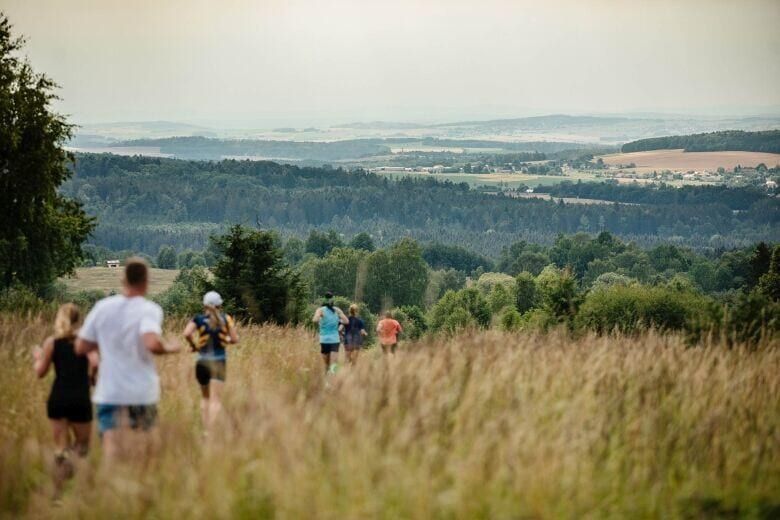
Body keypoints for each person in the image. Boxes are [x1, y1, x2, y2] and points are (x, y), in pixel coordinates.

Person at [75, 257, 181, 462]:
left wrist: (106, 342)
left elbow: (81, 347)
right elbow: (151, 342)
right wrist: (170, 347)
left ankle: (111, 491)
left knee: (111, 452)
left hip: (110, 392)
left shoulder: (102, 307)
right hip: (141, 393)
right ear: (146, 281)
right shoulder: (149, 309)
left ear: (123, 280)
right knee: (141, 455)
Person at [33, 303, 98, 491]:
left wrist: (38, 357)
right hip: (80, 397)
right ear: (79, 320)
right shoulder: (86, 343)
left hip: (58, 398)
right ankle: (69, 473)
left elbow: (40, 372)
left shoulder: (51, 343)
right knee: (82, 446)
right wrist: (91, 378)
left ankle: (57, 490)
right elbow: (95, 363)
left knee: (61, 447)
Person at [183, 291, 238, 432]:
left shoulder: (198, 319)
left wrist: (194, 346)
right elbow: (235, 339)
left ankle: (205, 429)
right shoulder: (226, 319)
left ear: (204, 305)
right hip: (219, 362)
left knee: (205, 398)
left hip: (202, 362)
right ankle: (211, 432)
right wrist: (226, 340)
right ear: (220, 304)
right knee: (216, 400)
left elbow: (187, 333)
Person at [312, 291, 348, 373]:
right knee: (334, 363)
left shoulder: (320, 310)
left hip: (324, 340)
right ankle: (333, 379)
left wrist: (320, 320)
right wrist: (338, 321)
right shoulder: (337, 310)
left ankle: (327, 380)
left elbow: (315, 320)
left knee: (326, 364)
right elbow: (346, 321)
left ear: (324, 300)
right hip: (335, 340)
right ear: (333, 300)